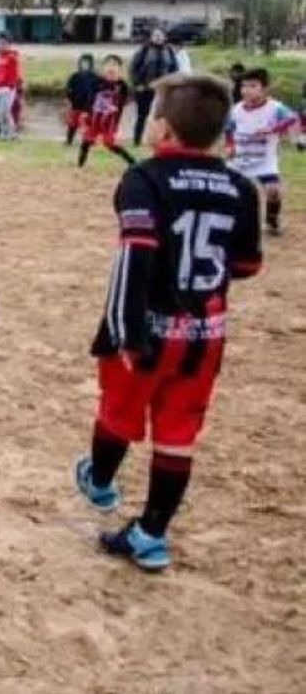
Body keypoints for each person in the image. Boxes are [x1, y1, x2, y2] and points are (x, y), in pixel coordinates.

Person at [73, 74, 263, 572]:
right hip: (205, 337)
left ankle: (100, 482)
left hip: (147, 332)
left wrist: (124, 333)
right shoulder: (241, 187)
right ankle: (151, 534)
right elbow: (246, 266)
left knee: (117, 413)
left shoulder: (146, 178)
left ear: (163, 127)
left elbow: (135, 257)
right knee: (178, 434)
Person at [225, 68, 299, 236]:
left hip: (264, 161)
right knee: (228, 192)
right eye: (244, 86)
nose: (246, 90)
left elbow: (292, 118)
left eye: (253, 86)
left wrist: (272, 129)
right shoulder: (236, 110)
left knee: (273, 190)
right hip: (240, 159)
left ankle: (272, 220)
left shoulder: (274, 108)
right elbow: (229, 129)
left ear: (264, 88)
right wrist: (230, 145)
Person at [77, 56, 137, 168]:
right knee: (87, 140)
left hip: (110, 119)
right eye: (108, 65)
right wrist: (85, 113)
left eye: (114, 65)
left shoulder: (122, 85)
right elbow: (89, 98)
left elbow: (123, 103)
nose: (111, 68)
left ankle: (131, 161)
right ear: (104, 68)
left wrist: (117, 119)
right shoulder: (96, 82)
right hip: (95, 117)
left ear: (119, 69)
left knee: (109, 143)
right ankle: (81, 163)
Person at [128, 28, 179, 147]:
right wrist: (137, 84)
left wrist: (172, 84)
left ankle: (161, 140)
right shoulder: (144, 50)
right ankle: (137, 140)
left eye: (160, 35)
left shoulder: (169, 51)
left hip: (162, 89)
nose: (158, 38)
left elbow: (174, 69)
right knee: (142, 115)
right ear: (151, 37)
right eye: (155, 35)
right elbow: (133, 69)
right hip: (145, 88)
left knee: (162, 116)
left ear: (164, 37)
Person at [0, 36, 23, 139]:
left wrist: (12, 85)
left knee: (4, 110)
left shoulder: (12, 58)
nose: (1, 46)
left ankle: (11, 133)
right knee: (5, 112)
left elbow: (15, 73)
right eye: (0, 44)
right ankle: (5, 133)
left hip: (7, 88)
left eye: (4, 44)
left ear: (9, 45)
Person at [63, 54, 100, 147]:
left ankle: (89, 141)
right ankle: (69, 141)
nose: (85, 65)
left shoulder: (95, 77)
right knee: (73, 124)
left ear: (91, 64)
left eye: (87, 63)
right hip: (76, 105)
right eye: (83, 63)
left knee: (88, 125)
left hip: (88, 106)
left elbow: (98, 91)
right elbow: (68, 88)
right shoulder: (74, 76)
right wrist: (68, 99)